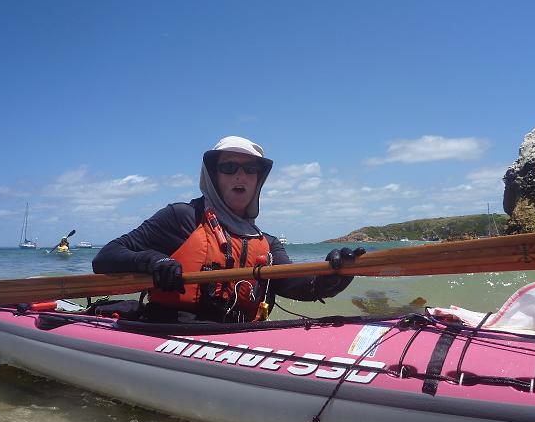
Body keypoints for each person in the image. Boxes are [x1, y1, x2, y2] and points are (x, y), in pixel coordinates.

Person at [92, 136, 364, 323]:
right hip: (170, 330)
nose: (240, 175)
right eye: (229, 167)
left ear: (259, 179)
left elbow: (298, 285)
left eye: (250, 169)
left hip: (236, 337)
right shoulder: (182, 217)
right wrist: (154, 261)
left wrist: (336, 273)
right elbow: (105, 257)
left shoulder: (267, 243)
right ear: (213, 175)